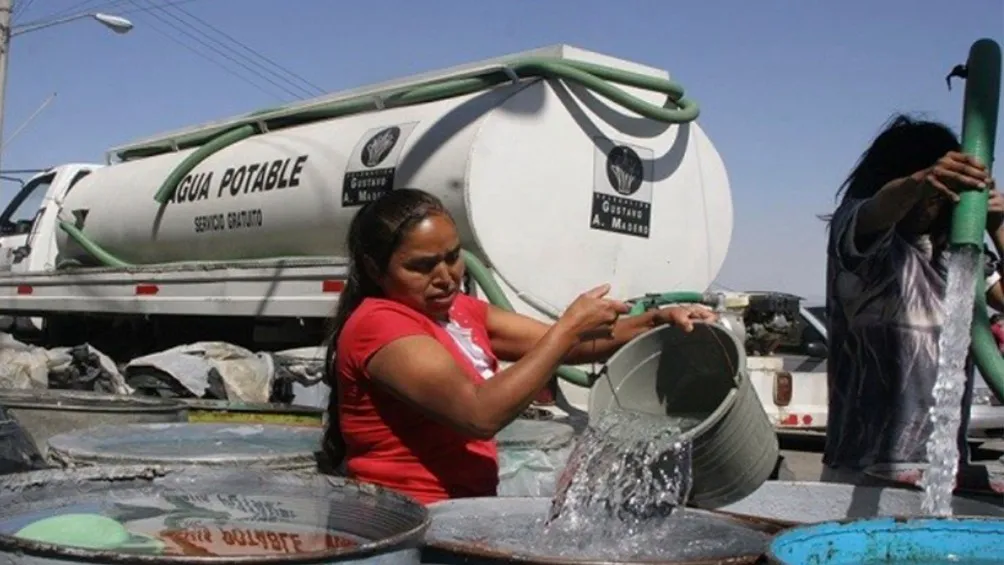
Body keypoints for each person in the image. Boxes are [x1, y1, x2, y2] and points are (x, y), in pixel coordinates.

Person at [322, 188, 717, 504]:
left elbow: (571, 346)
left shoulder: (460, 311)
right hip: (405, 519)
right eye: (422, 266)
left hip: (460, 509)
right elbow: (478, 413)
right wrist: (567, 329)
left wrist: (658, 320)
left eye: (453, 257)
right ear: (376, 270)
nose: (446, 277)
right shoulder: (379, 324)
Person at [824, 114, 1004, 485]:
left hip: (940, 471)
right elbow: (877, 210)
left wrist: (997, 225)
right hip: (864, 471)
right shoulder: (862, 242)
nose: (936, 202)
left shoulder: (959, 254)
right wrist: (917, 185)